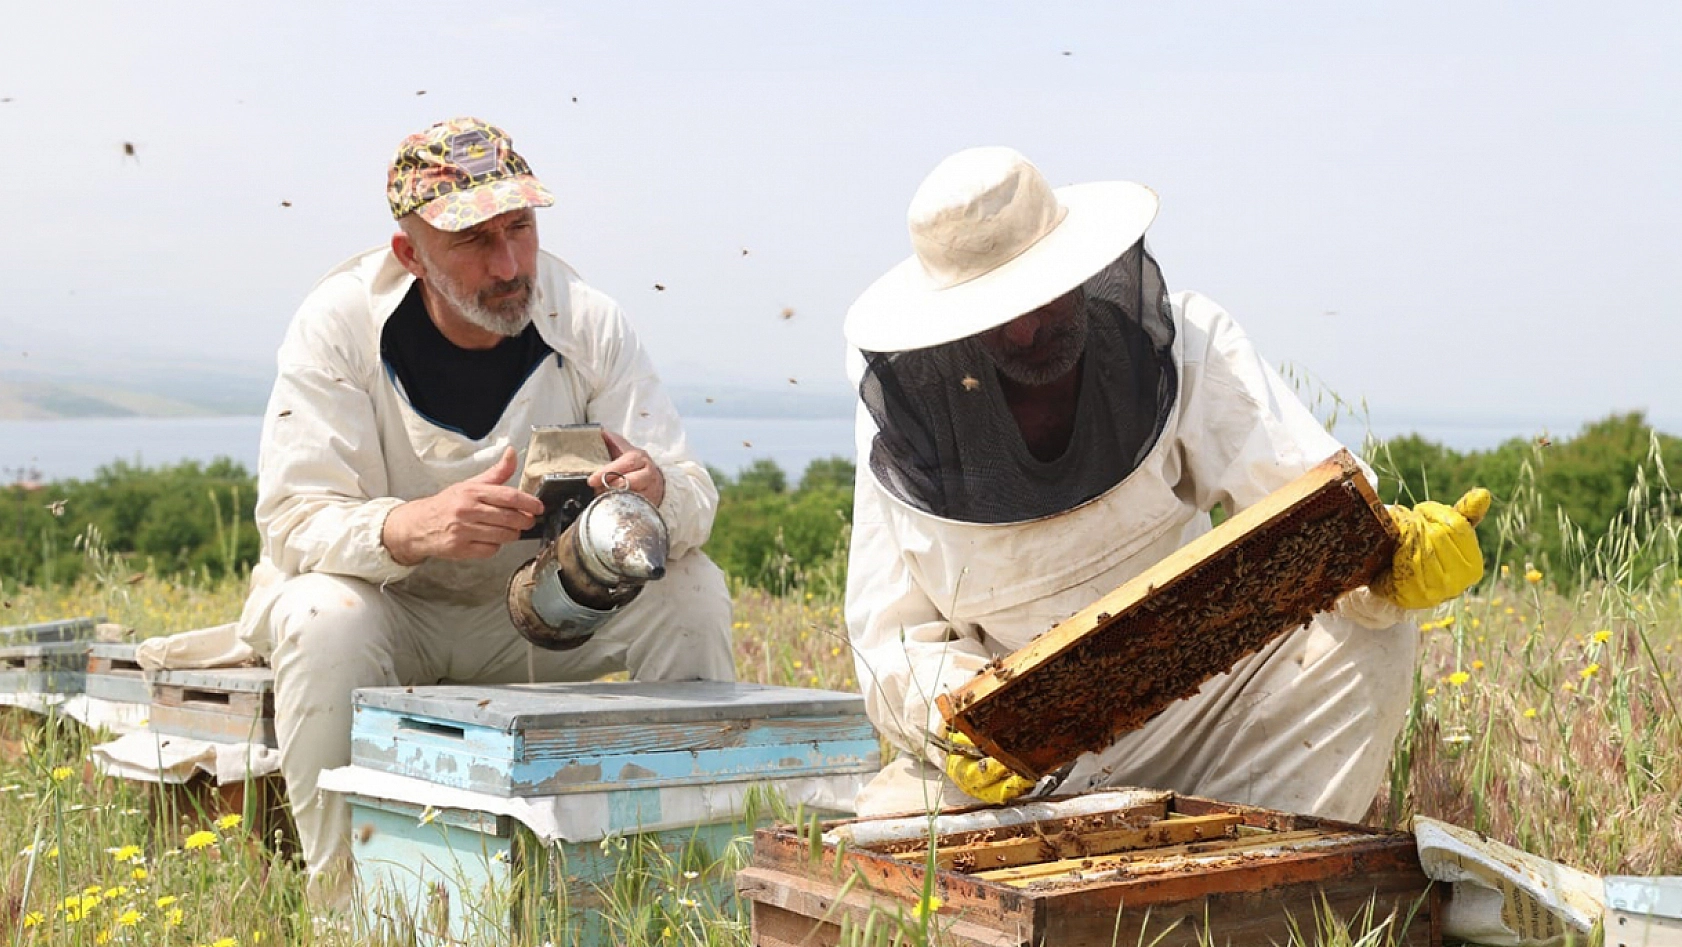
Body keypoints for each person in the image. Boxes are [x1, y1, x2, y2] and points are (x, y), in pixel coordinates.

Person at [842, 146, 1488, 820]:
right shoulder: (906, 425)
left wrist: (1386, 558)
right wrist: (962, 730)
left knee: (1368, 637)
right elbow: (892, 640)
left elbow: (1310, 505)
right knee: (886, 832)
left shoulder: (1190, 346)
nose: (1026, 328)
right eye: (993, 314)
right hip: (1028, 759)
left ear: (1080, 265)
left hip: (1195, 703)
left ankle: (1255, 875)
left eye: (1037, 294)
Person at [234, 117, 735, 900]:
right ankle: (343, 905)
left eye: (521, 228)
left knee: (690, 590)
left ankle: (680, 885)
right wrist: (412, 527)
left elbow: (694, 490)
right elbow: (293, 520)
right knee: (321, 614)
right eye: (474, 241)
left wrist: (658, 490)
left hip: (544, 613)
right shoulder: (337, 327)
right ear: (410, 255)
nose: (509, 265)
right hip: (389, 617)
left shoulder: (589, 322)